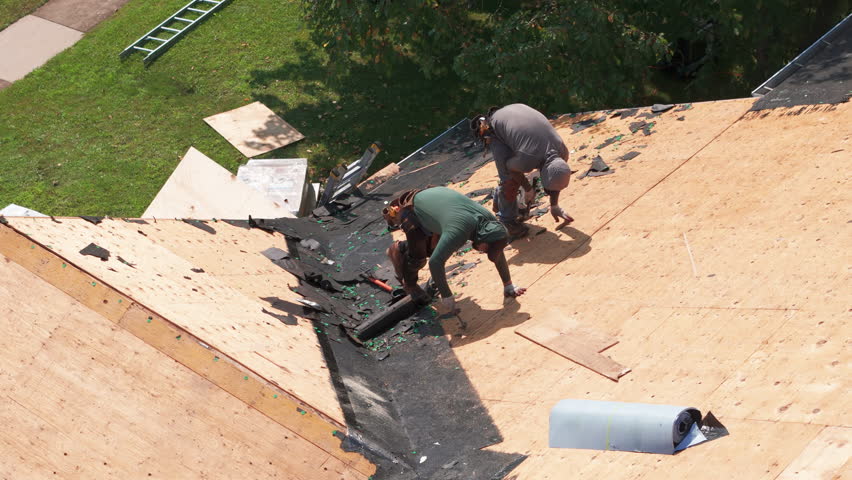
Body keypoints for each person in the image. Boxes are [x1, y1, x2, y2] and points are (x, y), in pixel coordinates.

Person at [383, 186, 526, 315]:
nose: (483, 251)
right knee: (419, 257)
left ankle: (422, 240)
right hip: (413, 208)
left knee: (435, 249)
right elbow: (435, 263)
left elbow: (497, 250)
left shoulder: (490, 223)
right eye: (486, 249)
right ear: (483, 239)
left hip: (437, 203)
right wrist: (447, 296)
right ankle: (407, 274)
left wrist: (508, 285)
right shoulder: (459, 231)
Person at [470, 103, 574, 236]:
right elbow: (511, 168)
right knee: (509, 181)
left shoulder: (562, 153)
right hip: (495, 128)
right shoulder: (528, 159)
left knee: (516, 172)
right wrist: (528, 188)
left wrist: (554, 205)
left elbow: (555, 178)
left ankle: (499, 201)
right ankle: (507, 221)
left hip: (517, 112)